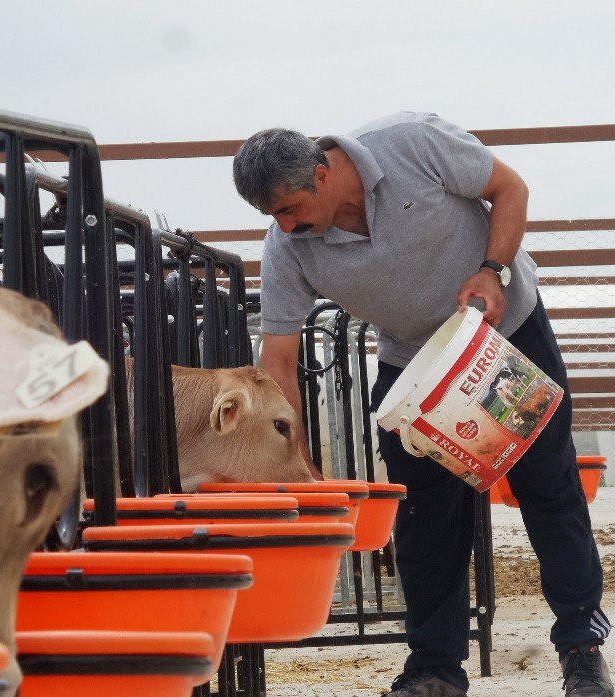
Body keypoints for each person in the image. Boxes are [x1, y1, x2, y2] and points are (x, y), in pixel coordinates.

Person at [233, 112, 611, 697]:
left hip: (504, 336)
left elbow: (510, 188)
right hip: (414, 364)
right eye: (271, 216)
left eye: (288, 208)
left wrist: (492, 270)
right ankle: (435, 669)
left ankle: (582, 649)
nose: (283, 226)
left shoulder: (414, 143)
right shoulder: (289, 248)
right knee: (424, 517)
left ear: (323, 171)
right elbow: (279, 355)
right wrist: (295, 458)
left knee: (549, 485)